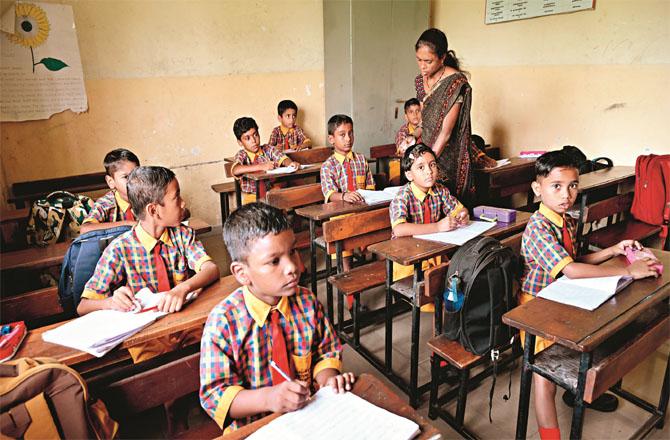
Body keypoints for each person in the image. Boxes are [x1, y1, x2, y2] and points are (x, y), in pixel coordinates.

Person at [520, 151, 659, 440]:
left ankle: (580, 390)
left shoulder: (566, 220)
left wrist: (613, 250)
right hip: (537, 309)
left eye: (572, 185)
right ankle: (550, 437)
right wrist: (629, 273)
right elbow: (570, 270)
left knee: (602, 332)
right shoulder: (538, 227)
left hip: (564, 297)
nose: (566, 194)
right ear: (537, 189)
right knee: (543, 380)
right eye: (556, 186)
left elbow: (576, 259)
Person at [199, 202, 355, 432]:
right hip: (256, 428)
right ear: (242, 274)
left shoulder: (307, 303)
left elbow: (326, 352)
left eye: (292, 251)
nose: (292, 266)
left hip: (312, 417)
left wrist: (328, 380)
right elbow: (215, 395)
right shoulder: (223, 323)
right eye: (274, 261)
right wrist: (269, 398)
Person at [78, 166, 220, 362]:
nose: (183, 202)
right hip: (148, 341)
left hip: (188, 328)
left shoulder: (183, 235)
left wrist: (183, 288)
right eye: (176, 197)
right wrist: (111, 302)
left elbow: (211, 269)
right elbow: (83, 306)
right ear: (154, 210)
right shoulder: (120, 249)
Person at [414, 28, 496, 205]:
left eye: (428, 61)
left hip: (450, 157)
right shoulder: (420, 81)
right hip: (428, 150)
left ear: (442, 58)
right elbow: (423, 121)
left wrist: (428, 163)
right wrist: (411, 137)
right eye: (419, 60)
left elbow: (446, 132)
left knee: (451, 206)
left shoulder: (456, 83)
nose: (422, 66)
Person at [389, 143, 468, 312]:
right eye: (421, 167)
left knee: (458, 276)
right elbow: (399, 229)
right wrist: (438, 227)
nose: (429, 171)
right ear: (409, 175)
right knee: (441, 284)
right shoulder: (402, 196)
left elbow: (459, 208)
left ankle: (450, 319)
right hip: (408, 260)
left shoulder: (439, 190)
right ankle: (445, 319)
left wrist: (462, 214)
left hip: (433, 254)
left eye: (432, 165)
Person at [320, 114, 375, 310]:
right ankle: (352, 303)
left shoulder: (361, 159)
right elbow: (329, 192)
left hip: (363, 215)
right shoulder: (328, 166)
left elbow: (370, 185)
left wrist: (368, 193)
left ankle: (391, 285)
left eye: (350, 133)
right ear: (331, 139)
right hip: (342, 220)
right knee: (346, 261)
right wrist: (343, 196)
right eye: (342, 134)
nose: (348, 138)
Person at [231, 117, 299, 205]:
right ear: (240, 142)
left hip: (270, 193)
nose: (253, 141)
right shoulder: (242, 155)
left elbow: (282, 157)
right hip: (252, 197)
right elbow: (235, 170)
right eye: (247, 138)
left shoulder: (267, 149)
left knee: (282, 197)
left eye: (255, 135)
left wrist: (290, 164)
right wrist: (261, 166)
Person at [80, 148, 140, 234]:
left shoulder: (147, 197)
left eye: (136, 175)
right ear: (111, 182)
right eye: (126, 177)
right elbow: (85, 229)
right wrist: (128, 224)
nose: (134, 181)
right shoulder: (106, 203)